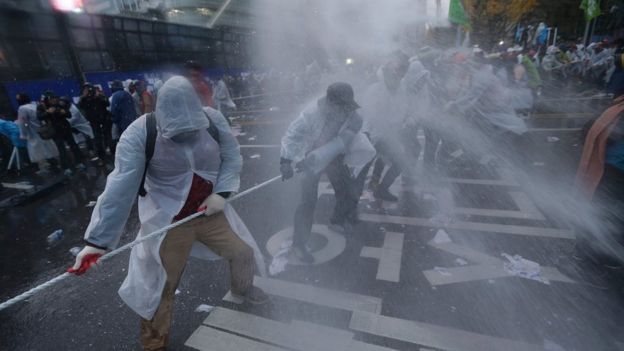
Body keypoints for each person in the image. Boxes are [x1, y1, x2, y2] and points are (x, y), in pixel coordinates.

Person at [69, 76, 267, 351]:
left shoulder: (213, 121)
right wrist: (97, 243)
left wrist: (221, 194)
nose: (184, 138)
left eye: (190, 132)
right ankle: (153, 342)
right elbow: (120, 188)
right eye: (177, 134)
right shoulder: (140, 134)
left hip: (209, 212)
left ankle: (243, 288)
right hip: (169, 221)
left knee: (243, 252)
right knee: (161, 284)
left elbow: (232, 157)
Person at [281, 82, 371, 263]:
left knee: (347, 190)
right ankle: (298, 244)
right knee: (308, 202)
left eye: (348, 106)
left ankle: (337, 220)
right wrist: (287, 161)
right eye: (341, 106)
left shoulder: (354, 118)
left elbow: (342, 142)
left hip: (334, 155)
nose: (345, 110)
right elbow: (292, 135)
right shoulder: (311, 113)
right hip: (309, 152)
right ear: (330, 103)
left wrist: (319, 157)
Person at [575, 53, 624, 269]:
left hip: (612, 171)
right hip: (612, 169)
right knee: (607, 214)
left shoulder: (617, 110)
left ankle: (597, 263)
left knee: (604, 214)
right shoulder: (617, 109)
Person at [362, 51, 410, 201]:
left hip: (388, 135)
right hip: (375, 134)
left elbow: (401, 110)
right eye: (396, 75)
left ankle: (377, 188)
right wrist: (367, 133)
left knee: (388, 162)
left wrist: (405, 121)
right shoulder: (376, 90)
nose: (398, 78)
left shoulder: (400, 89)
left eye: (401, 75)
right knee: (364, 166)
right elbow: (368, 113)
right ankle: (363, 190)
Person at [38, 90, 86, 175]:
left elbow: (69, 114)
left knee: (73, 145)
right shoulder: (42, 106)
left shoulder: (59, 104)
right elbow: (39, 117)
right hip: (54, 130)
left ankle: (80, 162)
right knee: (61, 149)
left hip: (65, 127)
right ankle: (66, 167)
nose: (53, 100)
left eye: (54, 98)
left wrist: (63, 112)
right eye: (51, 99)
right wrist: (47, 113)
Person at [15, 93, 59, 173]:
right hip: (42, 129)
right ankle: (53, 163)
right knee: (47, 147)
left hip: (32, 131)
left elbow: (23, 122)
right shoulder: (33, 105)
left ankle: (48, 165)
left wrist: (23, 133)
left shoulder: (22, 108)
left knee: (37, 150)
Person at [78, 82, 111, 162]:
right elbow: (81, 106)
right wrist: (84, 97)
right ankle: (102, 156)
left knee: (107, 135)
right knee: (97, 139)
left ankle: (110, 149)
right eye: (85, 89)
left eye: (88, 89)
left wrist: (99, 96)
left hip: (104, 119)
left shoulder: (99, 96)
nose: (88, 91)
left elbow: (107, 103)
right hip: (94, 122)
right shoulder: (84, 99)